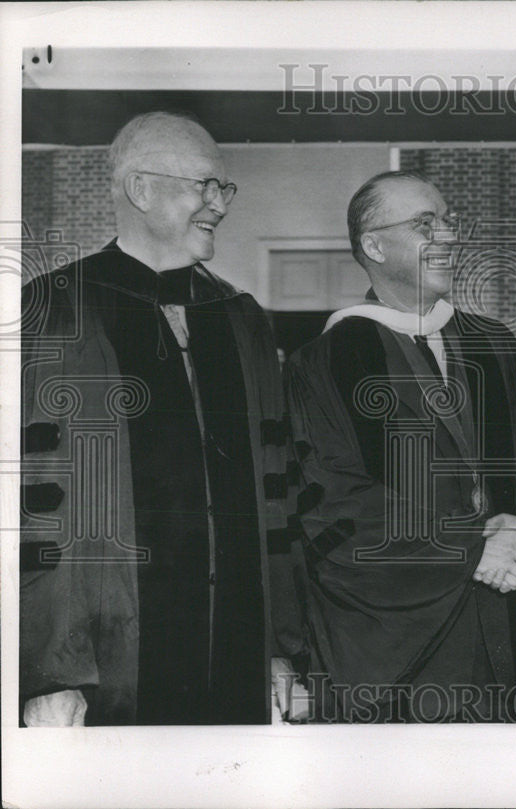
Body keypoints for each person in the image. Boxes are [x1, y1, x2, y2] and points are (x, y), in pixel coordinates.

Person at [20, 111, 307, 726]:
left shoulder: (242, 319)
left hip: (238, 656)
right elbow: (29, 508)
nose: (219, 204)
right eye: (203, 185)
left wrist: (280, 646)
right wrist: (45, 673)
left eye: (222, 188)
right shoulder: (51, 310)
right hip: (101, 666)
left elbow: (276, 498)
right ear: (140, 189)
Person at [285, 171, 516, 722]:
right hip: (389, 645)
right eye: (423, 224)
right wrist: (470, 547)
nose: (448, 236)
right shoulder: (322, 363)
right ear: (373, 245)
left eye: (448, 221)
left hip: (503, 626)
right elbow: (331, 505)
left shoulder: (495, 345)